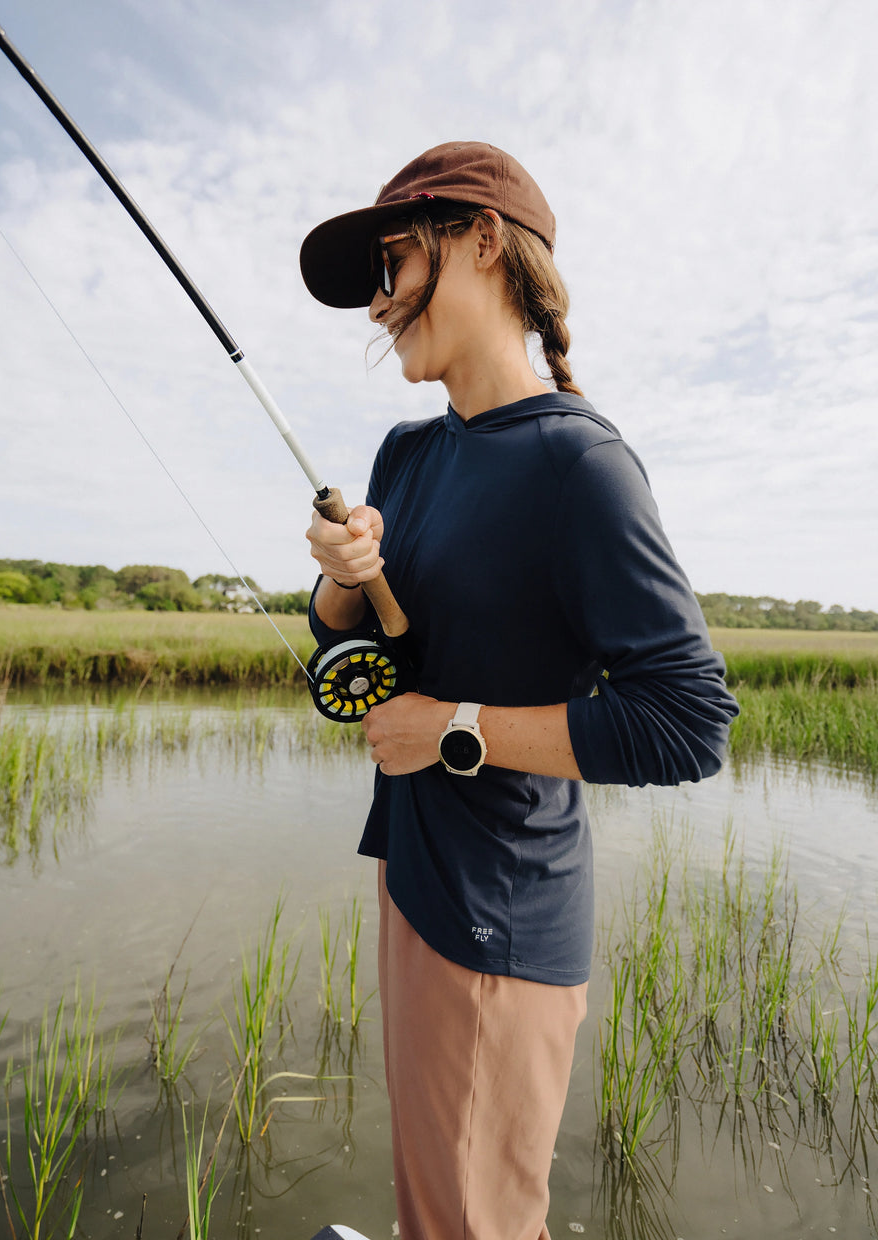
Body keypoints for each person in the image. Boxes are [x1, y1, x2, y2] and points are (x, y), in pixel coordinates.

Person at [299, 141, 739, 1240]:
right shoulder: (406, 455)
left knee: (477, 1223)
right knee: (432, 1206)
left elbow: (686, 719)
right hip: (412, 876)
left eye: (392, 262)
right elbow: (346, 654)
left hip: (497, 925)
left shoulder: (577, 465)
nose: (378, 302)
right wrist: (342, 584)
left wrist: (450, 731)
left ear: (482, 242)